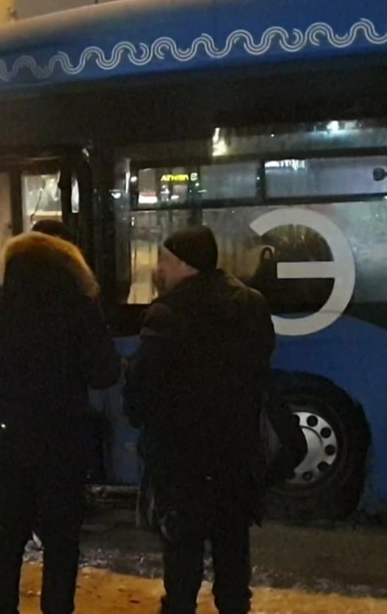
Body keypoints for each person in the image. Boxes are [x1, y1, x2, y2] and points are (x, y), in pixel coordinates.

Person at [0, 231, 120, 614]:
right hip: (64, 438)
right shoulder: (80, 306)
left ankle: (3, 608)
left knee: (8, 531)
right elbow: (104, 373)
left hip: (9, 435)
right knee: (62, 538)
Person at [123, 226, 275, 614]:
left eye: (165, 260)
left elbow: (144, 386)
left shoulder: (167, 313)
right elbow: (260, 369)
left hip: (182, 459)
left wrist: (136, 413)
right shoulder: (252, 304)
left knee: (182, 559)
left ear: (182, 264)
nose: (160, 268)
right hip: (236, 454)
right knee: (233, 553)